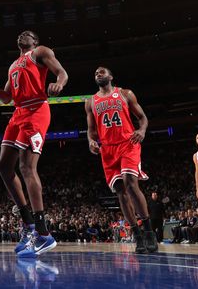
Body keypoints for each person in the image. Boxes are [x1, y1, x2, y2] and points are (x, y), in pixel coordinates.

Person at [0, 30, 68, 257]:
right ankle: (28, 223)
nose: (23, 34)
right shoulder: (12, 66)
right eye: (21, 33)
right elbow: (6, 98)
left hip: (37, 108)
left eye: (28, 34)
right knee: (3, 166)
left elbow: (62, 73)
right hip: (18, 112)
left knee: (27, 167)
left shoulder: (40, 52)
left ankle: (43, 233)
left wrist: (58, 84)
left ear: (34, 41)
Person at [85, 66, 157, 254]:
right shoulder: (90, 101)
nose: (98, 74)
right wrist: (91, 141)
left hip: (127, 143)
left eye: (102, 72)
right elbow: (91, 129)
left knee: (130, 183)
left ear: (110, 76)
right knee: (120, 191)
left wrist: (141, 131)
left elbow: (142, 118)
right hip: (107, 149)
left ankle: (149, 231)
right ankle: (137, 235)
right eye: (96, 73)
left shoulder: (125, 94)